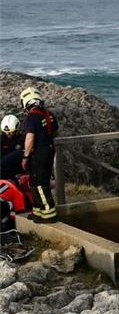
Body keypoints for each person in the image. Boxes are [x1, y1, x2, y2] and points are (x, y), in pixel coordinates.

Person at [20, 88, 59, 222]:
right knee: (34, 182)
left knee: (39, 184)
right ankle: (37, 211)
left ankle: (49, 214)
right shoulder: (49, 114)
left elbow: (30, 138)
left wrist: (25, 156)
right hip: (49, 151)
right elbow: (55, 131)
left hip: (38, 154)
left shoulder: (32, 117)